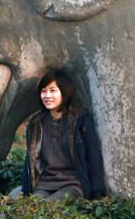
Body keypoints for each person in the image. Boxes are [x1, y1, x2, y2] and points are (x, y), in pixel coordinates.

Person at [19, 69, 106, 201]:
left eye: (53, 90)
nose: (47, 95)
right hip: (44, 184)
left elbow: (93, 155)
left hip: (73, 185)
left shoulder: (80, 118)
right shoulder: (37, 122)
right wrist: (26, 191)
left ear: (64, 93)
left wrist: (96, 191)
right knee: (31, 208)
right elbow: (30, 160)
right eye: (43, 91)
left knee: (47, 208)